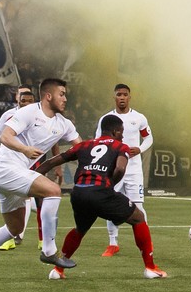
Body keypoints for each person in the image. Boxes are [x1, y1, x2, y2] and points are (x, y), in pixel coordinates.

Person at [0, 77, 79, 280]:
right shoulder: (30, 112)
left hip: (12, 174)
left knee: (15, 228)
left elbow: (80, 146)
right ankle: (49, 251)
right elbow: (4, 136)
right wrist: (25, 149)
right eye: (62, 94)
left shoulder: (64, 124)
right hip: (6, 169)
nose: (65, 99)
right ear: (48, 96)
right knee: (53, 191)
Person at [33, 113, 165, 279]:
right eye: (121, 132)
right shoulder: (120, 146)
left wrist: (31, 178)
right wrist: (110, 185)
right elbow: (120, 169)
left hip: (79, 193)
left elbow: (52, 162)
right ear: (116, 131)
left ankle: (58, 271)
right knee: (138, 217)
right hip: (100, 192)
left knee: (80, 229)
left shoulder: (84, 145)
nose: (123, 136)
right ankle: (150, 268)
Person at [97, 83, 152, 256]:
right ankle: (113, 243)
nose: (122, 97)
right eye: (119, 94)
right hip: (114, 170)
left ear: (129, 97)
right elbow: (98, 141)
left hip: (134, 171)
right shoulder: (106, 119)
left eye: (125, 94)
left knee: (138, 206)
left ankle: (146, 243)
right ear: (114, 97)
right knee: (110, 205)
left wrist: (140, 149)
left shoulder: (139, 118)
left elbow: (149, 138)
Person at [0, 85, 39, 252]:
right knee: (27, 198)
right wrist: (11, 143)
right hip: (13, 160)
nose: (26, 102)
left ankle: (41, 239)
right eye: (21, 96)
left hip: (34, 159)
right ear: (17, 98)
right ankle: (18, 235)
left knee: (35, 197)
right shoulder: (9, 115)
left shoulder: (39, 116)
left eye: (30, 99)